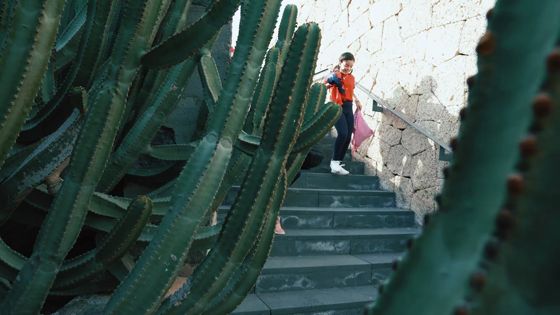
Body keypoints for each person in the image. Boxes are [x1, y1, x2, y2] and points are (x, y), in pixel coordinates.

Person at [325, 52, 362, 175]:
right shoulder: (334, 75)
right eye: (346, 65)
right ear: (341, 63)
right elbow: (324, 85)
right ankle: (334, 162)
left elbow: (350, 90)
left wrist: (356, 100)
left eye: (350, 66)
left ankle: (338, 162)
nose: (348, 68)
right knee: (343, 132)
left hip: (348, 106)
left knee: (348, 135)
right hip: (337, 106)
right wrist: (331, 82)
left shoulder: (352, 77)